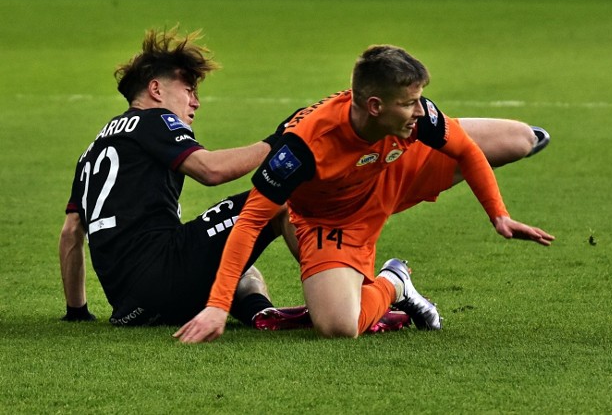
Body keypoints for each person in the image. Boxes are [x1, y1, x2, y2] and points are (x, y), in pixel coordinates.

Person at [174, 45, 555, 343]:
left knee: (520, 140)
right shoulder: (303, 147)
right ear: (374, 107)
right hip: (336, 220)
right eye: (409, 103)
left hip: (397, 171)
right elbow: (252, 220)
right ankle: (395, 283)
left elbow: (466, 151)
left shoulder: (415, 118)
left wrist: (498, 214)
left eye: (420, 99)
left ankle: (456, 138)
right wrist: (217, 306)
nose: (421, 110)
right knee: (339, 327)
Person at [59, 26, 290, 327]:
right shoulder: (153, 120)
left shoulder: (92, 151)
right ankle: (340, 299)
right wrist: (280, 141)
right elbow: (211, 170)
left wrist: (77, 311)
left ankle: (259, 314)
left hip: (130, 308)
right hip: (164, 273)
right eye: (189, 90)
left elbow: (70, 233)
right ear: (156, 90)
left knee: (238, 262)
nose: (196, 102)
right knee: (282, 198)